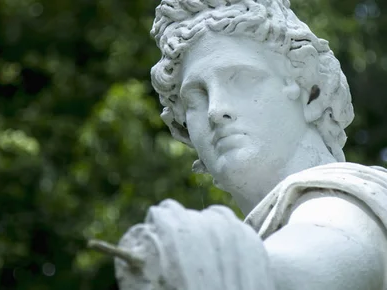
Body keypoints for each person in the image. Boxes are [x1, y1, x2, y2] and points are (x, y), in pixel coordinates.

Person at [108, 0, 387, 289]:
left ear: (311, 94)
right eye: (196, 97)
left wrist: (217, 261)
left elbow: (330, 253)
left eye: (242, 79)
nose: (215, 110)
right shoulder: (270, 235)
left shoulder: (350, 204)